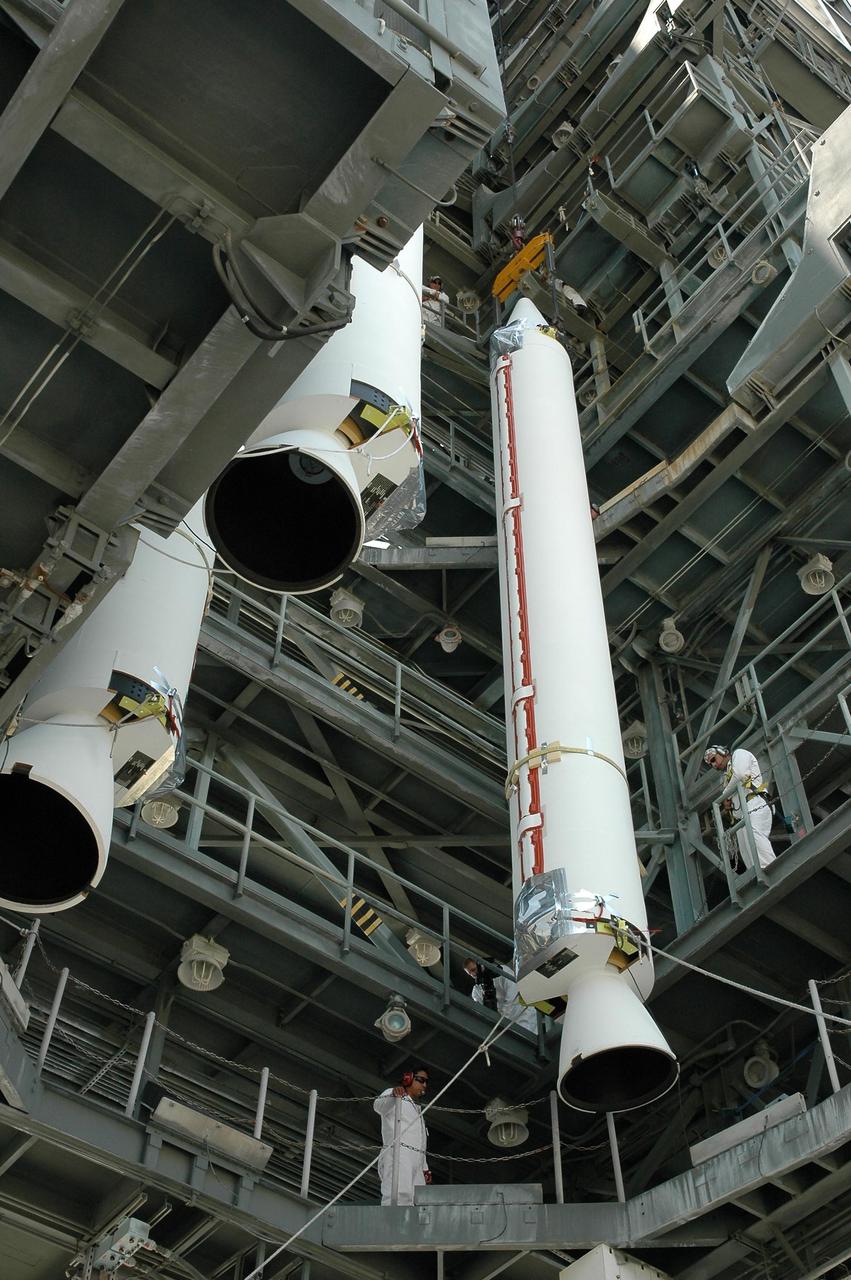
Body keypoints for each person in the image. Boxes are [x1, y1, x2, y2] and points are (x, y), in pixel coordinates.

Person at [704, 744, 776, 870]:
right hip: (743, 814)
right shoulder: (727, 778)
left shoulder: (739, 754)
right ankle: (758, 873)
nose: (714, 765)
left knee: (754, 835)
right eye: (711, 764)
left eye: (714, 760)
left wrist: (725, 794)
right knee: (745, 849)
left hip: (755, 803)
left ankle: (771, 868)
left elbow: (740, 774)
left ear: (722, 752)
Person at [373, 1067, 431, 1205]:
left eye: (426, 1082)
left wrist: (425, 1168)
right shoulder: (395, 1095)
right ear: (408, 1078)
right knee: (398, 1194)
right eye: (421, 1080)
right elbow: (378, 1106)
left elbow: (421, 1141)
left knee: (417, 1200)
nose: (424, 1085)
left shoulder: (417, 1109)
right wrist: (393, 1095)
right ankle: (392, 1222)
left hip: (415, 1161)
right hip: (398, 1154)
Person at [463, 958, 538, 1033]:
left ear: (480, 965)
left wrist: (502, 1019)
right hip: (504, 1022)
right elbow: (484, 1011)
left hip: (522, 1013)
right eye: (469, 973)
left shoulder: (502, 971)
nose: (473, 974)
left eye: (473, 970)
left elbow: (512, 995)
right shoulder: (476, 991)